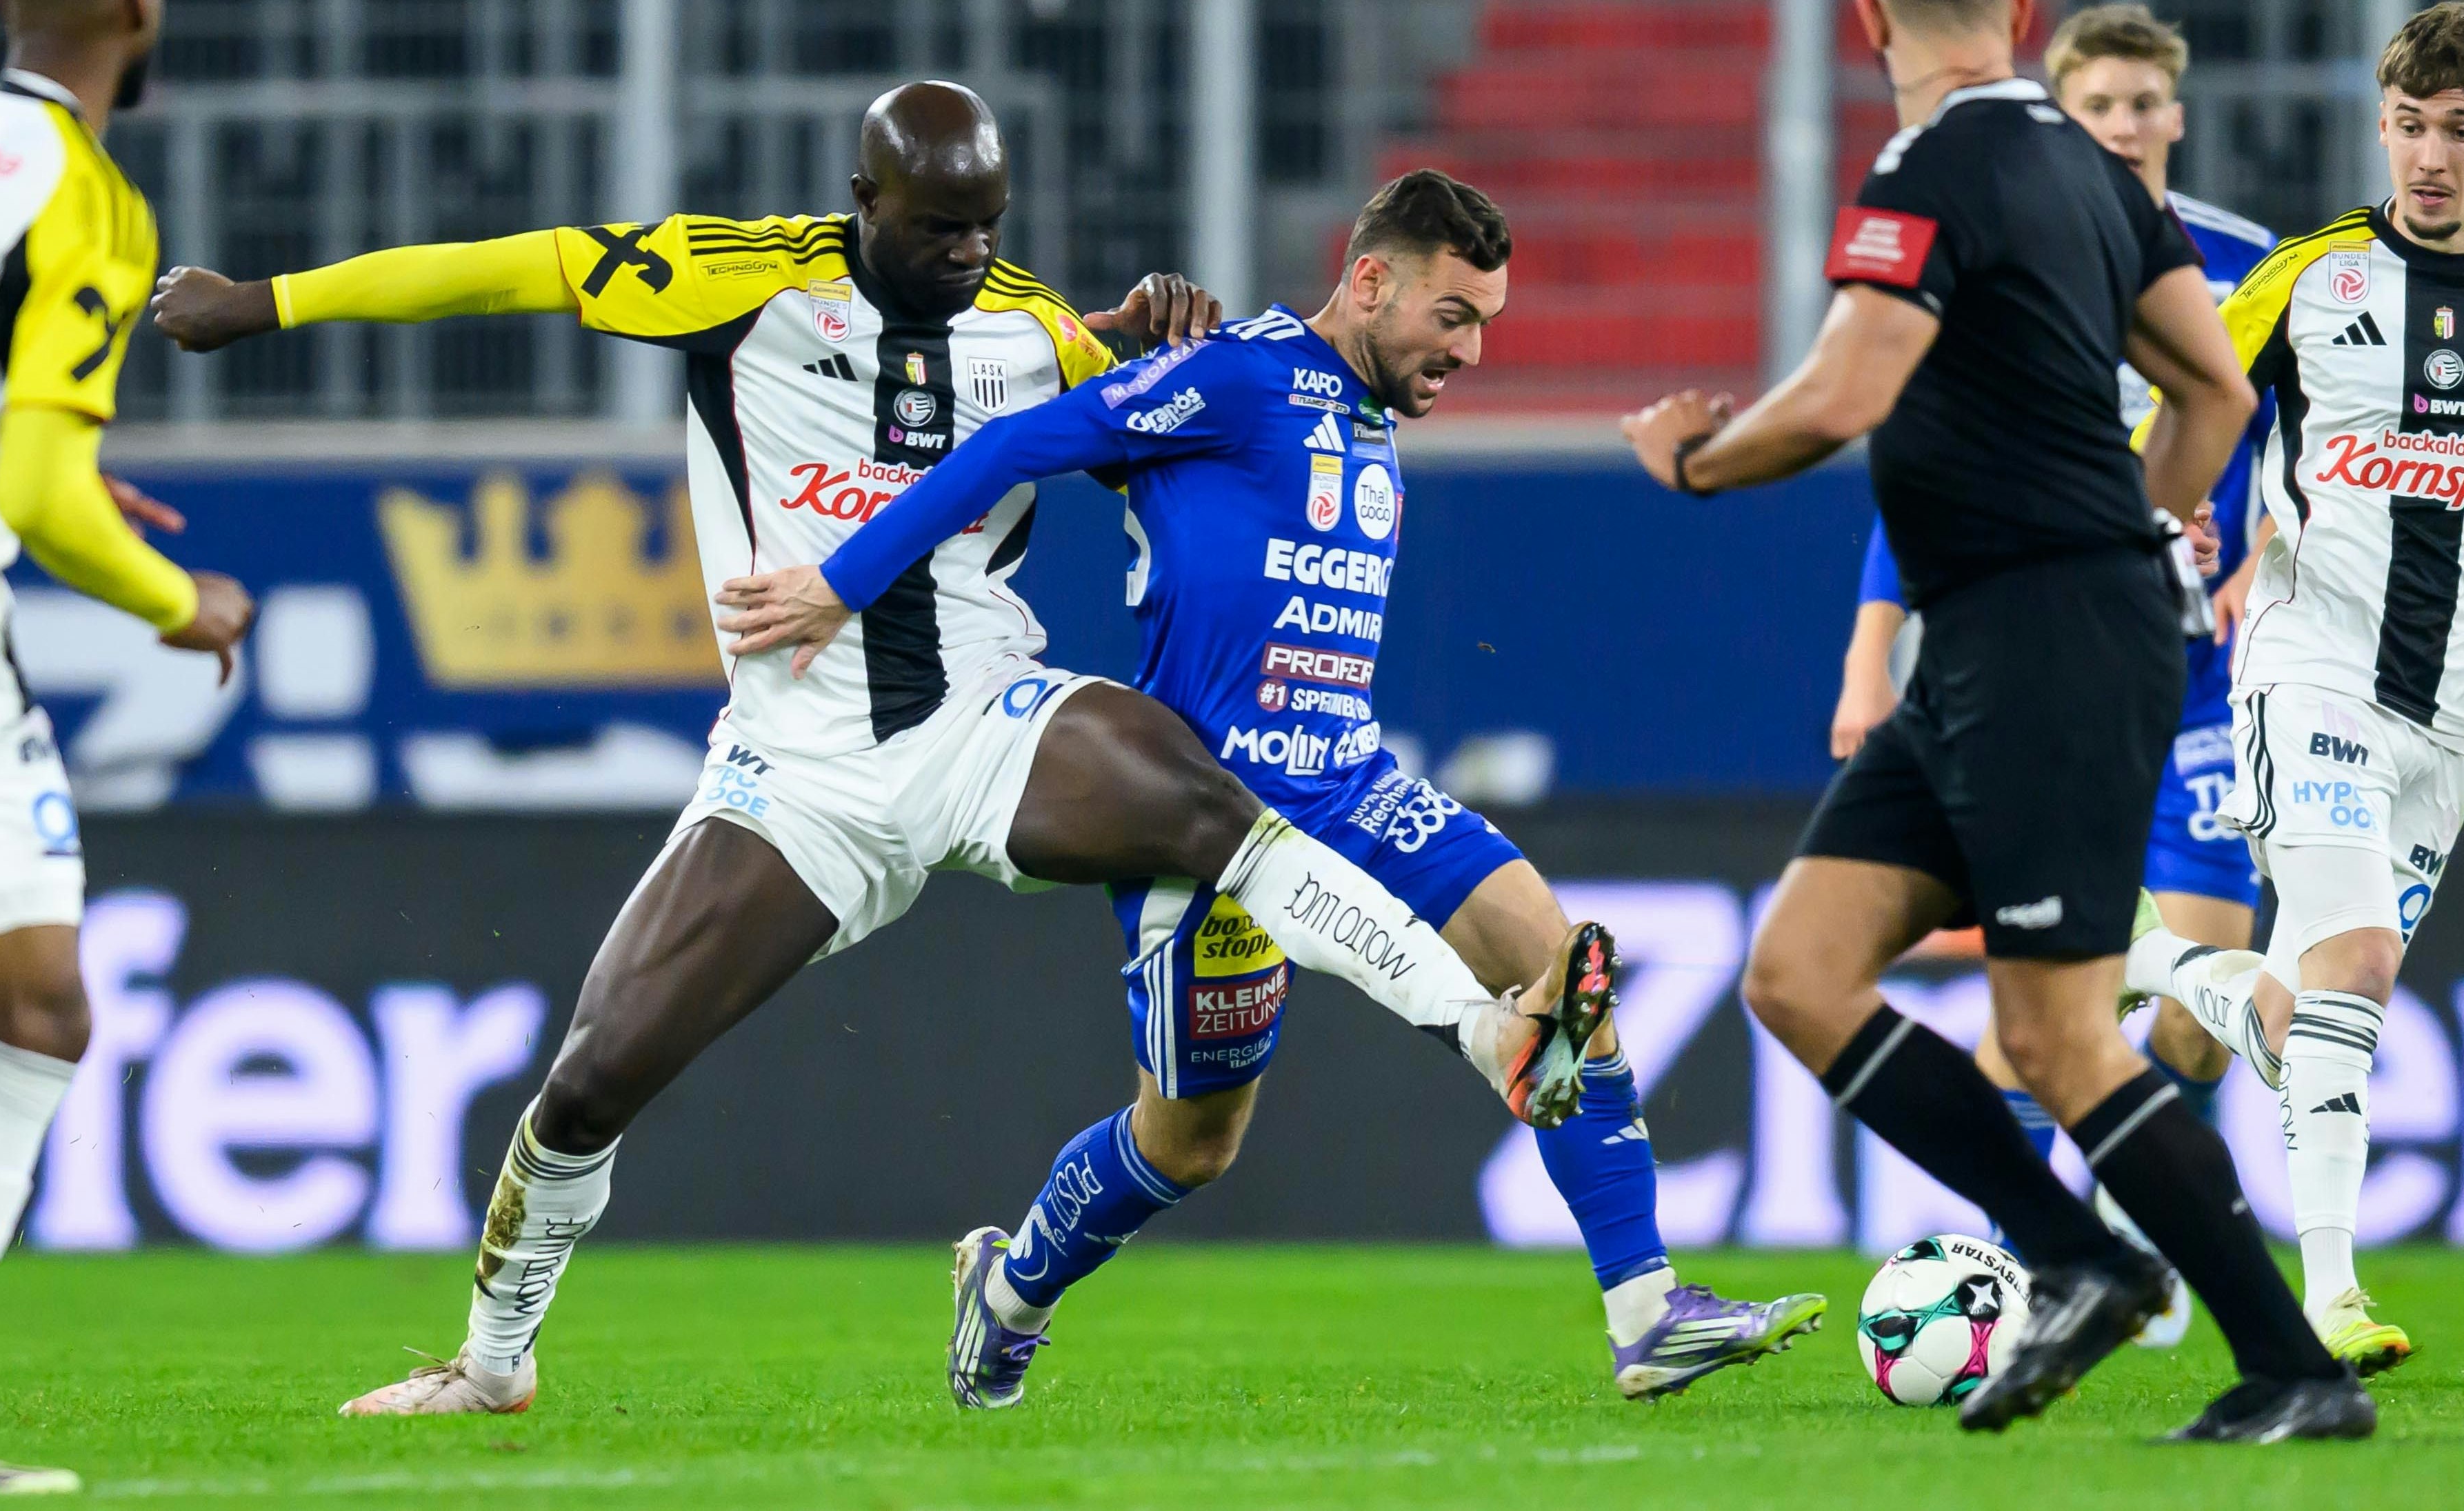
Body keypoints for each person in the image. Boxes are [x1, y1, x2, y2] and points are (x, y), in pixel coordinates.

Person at [151, 82, 1612, 1419]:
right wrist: (265, 302)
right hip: (803, 776)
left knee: (1199, 800)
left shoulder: (1029, 321)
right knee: (595, 1077)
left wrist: (1137, 331)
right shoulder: (733, 278)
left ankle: (1484, 1029)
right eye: (938, 228)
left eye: (988, 227)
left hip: (986, 715)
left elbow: (1135, 421)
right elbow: (505, 265)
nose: (968, 254)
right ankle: (491, 1360)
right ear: (869, 206)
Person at [719, 169, 1823, 1410]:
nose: (1468, 349)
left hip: (1351, 783)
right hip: (1204, 815)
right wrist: (848, 578)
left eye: (1487, 326)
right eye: (1452, 317)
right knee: (1191, 1144)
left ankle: (1647, 1310)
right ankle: (1014, 1283)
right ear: (1367, 280)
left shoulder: (1368, 414)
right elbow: (1026, 441)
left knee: (1558, 965)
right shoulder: (1242, 372)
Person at [1621, 0, 2370, 1444]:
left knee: (2055, 1036)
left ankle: (2289, 1366)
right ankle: (2081, 1257)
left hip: (2042, 641)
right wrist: (2146, 536)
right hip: (2000, 640)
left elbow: (1848, 389)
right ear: (2026, 21)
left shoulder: (1929, 169)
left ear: (1863, 19)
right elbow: (2211, 389)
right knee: (1798, 969)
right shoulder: (2085, 169)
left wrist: (1695, 462)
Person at [1830, 2, 2281, 1352]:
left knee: (2202, 998)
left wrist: (2264, 553)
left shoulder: (2253, 266)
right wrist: (1866, 655)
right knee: (2043, 1013)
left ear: (2177, 115)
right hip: (2056, 654)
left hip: (2204, 671)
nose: (2128, 126)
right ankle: (2048, 1263)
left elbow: (2304, 435)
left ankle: (2125, 1240)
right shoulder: (2008, 228)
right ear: (2060, 112)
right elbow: (1918, 463)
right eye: (2103, 107)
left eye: (2147, 103)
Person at [2127, 0, 2464, 1379]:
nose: (2430, 157)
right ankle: (2325, 1300)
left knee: (2314, 1000)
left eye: (2460, 131)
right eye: (2410, 126)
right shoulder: (2304, 279)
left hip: (2456, 716)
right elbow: (2182, 419)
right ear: (2381, 124)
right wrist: (2174, 521)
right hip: (2309, 664)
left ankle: (2164, 962)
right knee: (2356, 961)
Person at [0, 0, 258, 1492]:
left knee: (38, 1007)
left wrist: (61, 489)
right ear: (144, 20)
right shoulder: (85, 189)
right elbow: (36, 485)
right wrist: (178, 598)